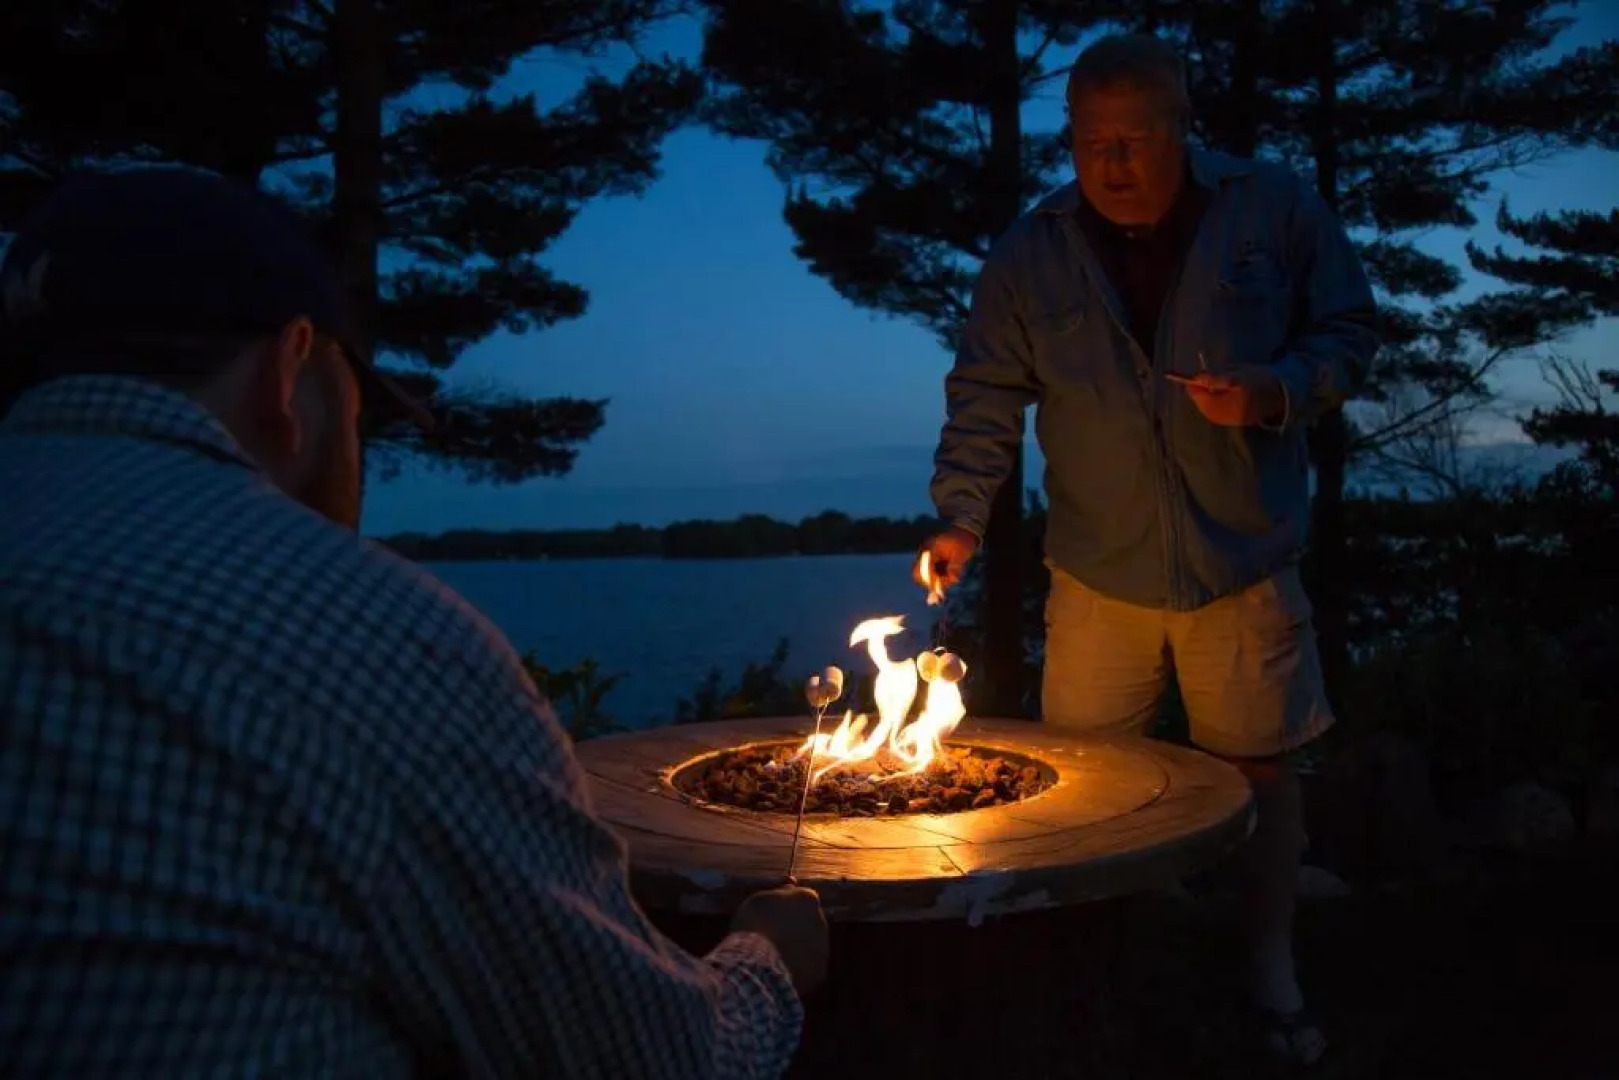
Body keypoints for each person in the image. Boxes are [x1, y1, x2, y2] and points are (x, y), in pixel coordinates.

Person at [0, 166, 827, 1079]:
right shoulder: (354, 633)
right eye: (362, 411)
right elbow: (649, 1060)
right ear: (292, 369)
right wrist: (767, 960)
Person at [915, 33, 1379, 1067]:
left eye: (1134, 139)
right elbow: (986, 393)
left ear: (1182, 128)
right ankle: (1094, 974)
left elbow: (1348, 329)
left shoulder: (1269, 211)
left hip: (1241, 561)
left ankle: (1267, 964)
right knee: (1080, 788)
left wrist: (1276, 389)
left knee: (1257, 777)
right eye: (1089, 143)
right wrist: (959, 516)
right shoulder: (1031, 250)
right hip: (1097, 572)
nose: (1112, 164)